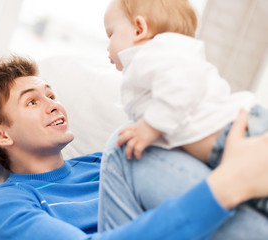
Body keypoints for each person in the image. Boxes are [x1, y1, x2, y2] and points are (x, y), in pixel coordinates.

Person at [0, 55, 268, 240]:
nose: (54, 106)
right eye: (32, 101)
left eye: (52, 95)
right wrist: (225, 187)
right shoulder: (4, 206)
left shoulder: (101, 164)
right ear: (1, 135)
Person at [104, 0, 268, 216]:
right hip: (228, 141)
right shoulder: (159, 59)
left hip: (237, 131)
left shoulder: (154, 53)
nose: (107, 46)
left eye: (111, 34)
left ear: (139, 29)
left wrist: (149, 127)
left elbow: (182, 85)